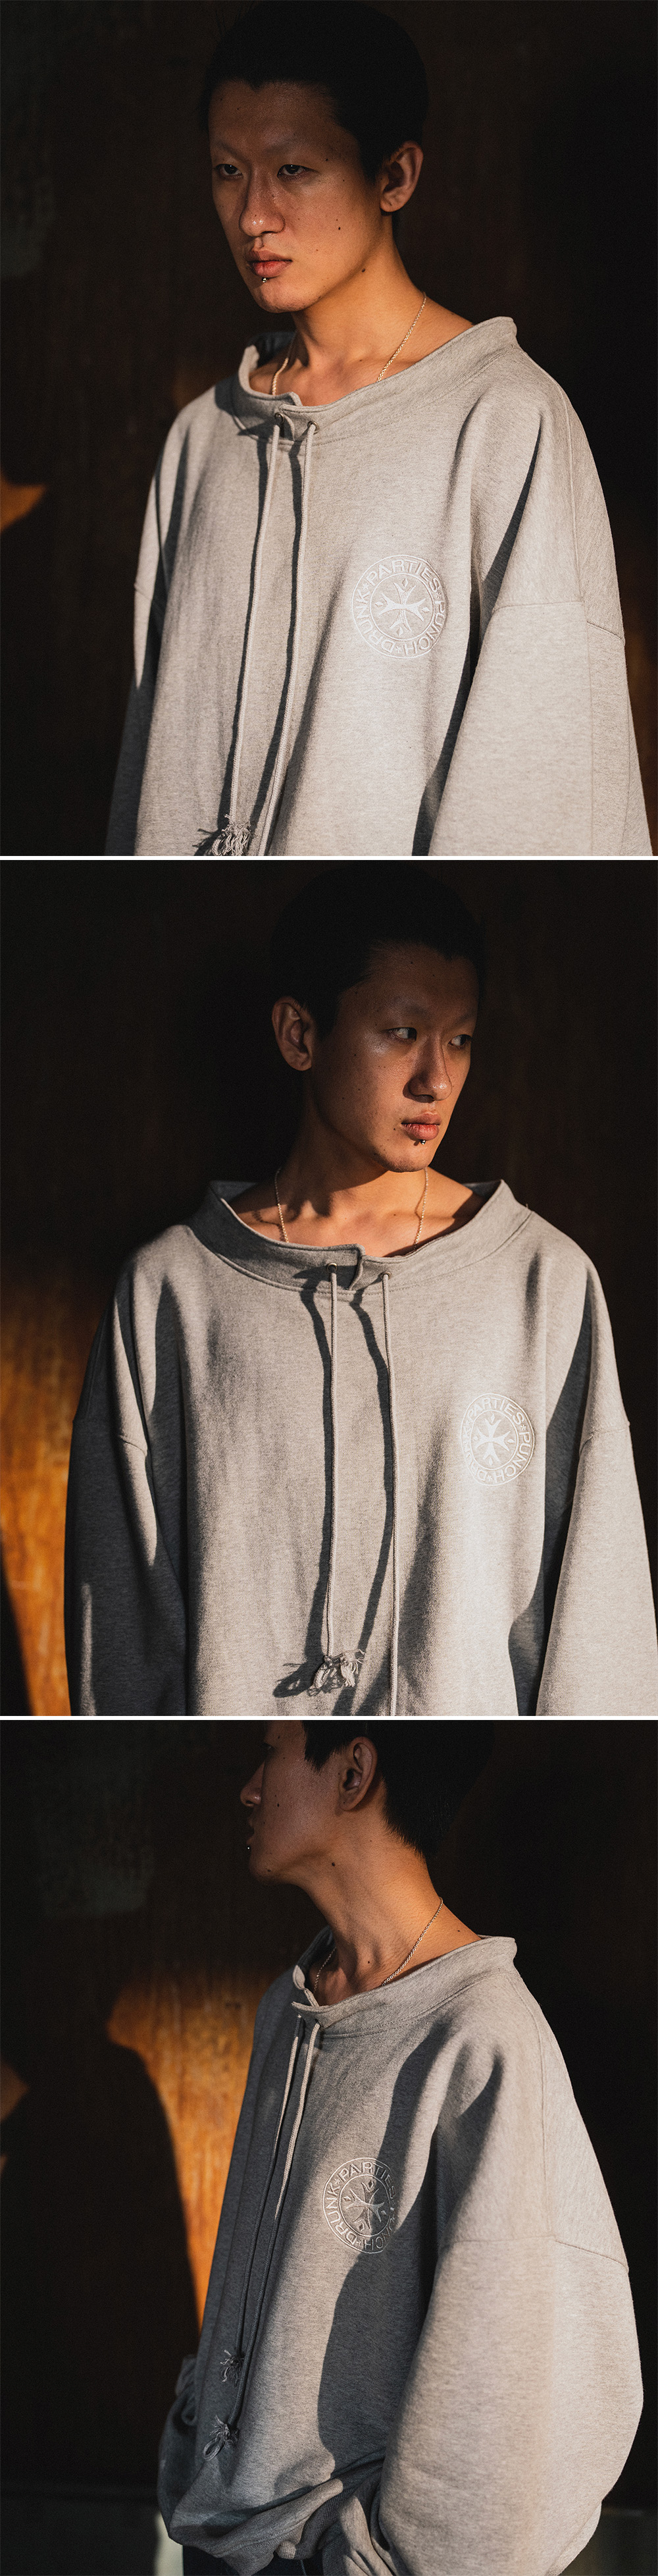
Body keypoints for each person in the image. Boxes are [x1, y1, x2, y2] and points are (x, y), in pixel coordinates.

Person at [64, 867, 658, 1717]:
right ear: (300, 1034)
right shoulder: (172, 1293)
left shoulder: (544, 1283)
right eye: (403, 1033)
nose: (436, 1080)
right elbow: (121, 1645)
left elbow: (604, 1625)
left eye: (461, 1040)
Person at [105, 1, 651, 859]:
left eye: (294, 171)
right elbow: (151, 767)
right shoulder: (201, 439)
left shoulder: (504, 422)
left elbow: (544, 784)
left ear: (394, 176)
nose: (253, 216)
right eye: (228, 171)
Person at [157, 1721, 644, 2576]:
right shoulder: (289, 2007)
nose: (249, 1789)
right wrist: (200, 2430)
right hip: (218, 2541)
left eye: (269, 1754)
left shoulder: (483, 2039)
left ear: (353, 1771)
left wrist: (383, 2557)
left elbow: (528, 2368)